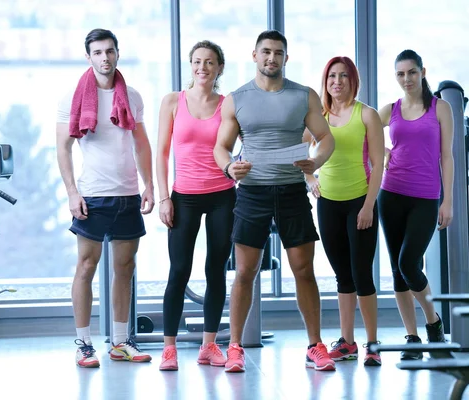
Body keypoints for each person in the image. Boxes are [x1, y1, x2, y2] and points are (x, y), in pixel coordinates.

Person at [213, 30, 336, 373]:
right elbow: (221, 146)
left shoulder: (304, 95)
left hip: (292, 191)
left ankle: (315, 345)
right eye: (265, 52)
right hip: (252, 192)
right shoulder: (237, 99)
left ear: (285, 57)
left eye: (278, 53)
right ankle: (235, 347)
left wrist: (316, 162)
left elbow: (325, 139)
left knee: (303, 271)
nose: (271, 58)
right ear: (254, 55)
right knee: (245, 272)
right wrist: (229, 167)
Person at [56, 28, 155, 368]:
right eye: (97, 52)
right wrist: (72, 192)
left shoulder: (133, 96)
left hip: (127, 194)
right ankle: (83, 344)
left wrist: (150, 185)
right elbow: (63, 147)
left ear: (117, 53)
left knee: (124, 268)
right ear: (89, 57)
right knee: (86, 266)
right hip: (92, 194)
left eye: (109, 51)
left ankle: (119, 342)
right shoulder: (73, 96)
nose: (105, 58)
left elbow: (141, 144)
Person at [155, 40, 236, 371]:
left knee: (215, 270)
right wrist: (163, 197)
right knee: (179, 271)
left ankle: (209, 345)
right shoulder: (173, 101)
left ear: (219, 68)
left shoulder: (229, 103)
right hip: (183, 196)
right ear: (190, 65)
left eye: (210, 62)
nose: (203, 67)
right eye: (197, 61)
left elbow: (243, 144)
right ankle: (169, 348)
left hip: (222, 194)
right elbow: (160, 152)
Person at [304, 56, 384, 366]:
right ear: (326, 83)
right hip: (328, 204)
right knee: (342, 277)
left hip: (359, 202)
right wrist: (310, 178)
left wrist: (368, 206)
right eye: (332, 77)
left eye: (343, 76)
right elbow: (300, 150)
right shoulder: (319, 116)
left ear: (353, 80)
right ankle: (348, 342)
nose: (337, 81)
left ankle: (373, 344)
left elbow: (378, 164)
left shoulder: (368, 115)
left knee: (362, 275)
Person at [377, 49, 454, 360]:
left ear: (423, 72)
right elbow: (361, 134)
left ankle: (433, 322)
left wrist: (447, 201)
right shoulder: (390, 109)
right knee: (398, 271)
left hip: (425, 197)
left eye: (411, 72)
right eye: (400, 74)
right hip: (391, 193)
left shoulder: (441, 108)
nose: (406, 79)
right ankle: (412, 338)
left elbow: (446, 156)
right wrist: (383, 154)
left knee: (409, 263)